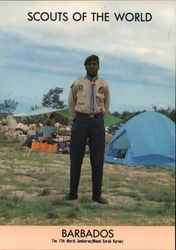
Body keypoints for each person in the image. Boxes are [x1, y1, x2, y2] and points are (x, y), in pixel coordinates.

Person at [66, 55, 110, 204]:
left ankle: (96, 195)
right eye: (89, 64)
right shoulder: (77, 83)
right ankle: (72, 193)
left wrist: (98, 118)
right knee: (76, 158)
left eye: (95, 64)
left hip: (97, 122)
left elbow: (106, 104)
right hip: (80, 121)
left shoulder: (104, 85)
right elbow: (71, 104)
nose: (92, 66)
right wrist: (78, 118)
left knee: (97, 160)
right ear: (85, 67)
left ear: (98, 67)